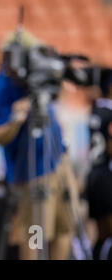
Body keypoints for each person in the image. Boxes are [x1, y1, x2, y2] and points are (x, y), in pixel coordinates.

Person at [0, 31, 78, 260]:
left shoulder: (39, 76)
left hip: (58, 159)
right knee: (33, 233)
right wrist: (16, 118)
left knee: (64, 227)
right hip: (29, 170)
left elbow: (58, 95)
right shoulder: (1, 86)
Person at [86, 68, 112, 260]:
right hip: (106, 177)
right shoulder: (109, 112)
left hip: (95, 174)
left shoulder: (96, 110)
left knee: (101, 234)